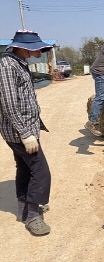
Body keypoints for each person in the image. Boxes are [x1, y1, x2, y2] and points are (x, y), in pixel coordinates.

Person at [0, 29, 52, 236]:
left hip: (27, 129)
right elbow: (9, 103)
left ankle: (23, 208)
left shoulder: (19, 64)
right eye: (34, 48)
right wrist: (25, 133)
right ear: (22, 47)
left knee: (24, 167)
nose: (38, 52)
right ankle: (33, 216)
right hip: (19, 132)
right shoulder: (7, 65)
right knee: (40, 171)